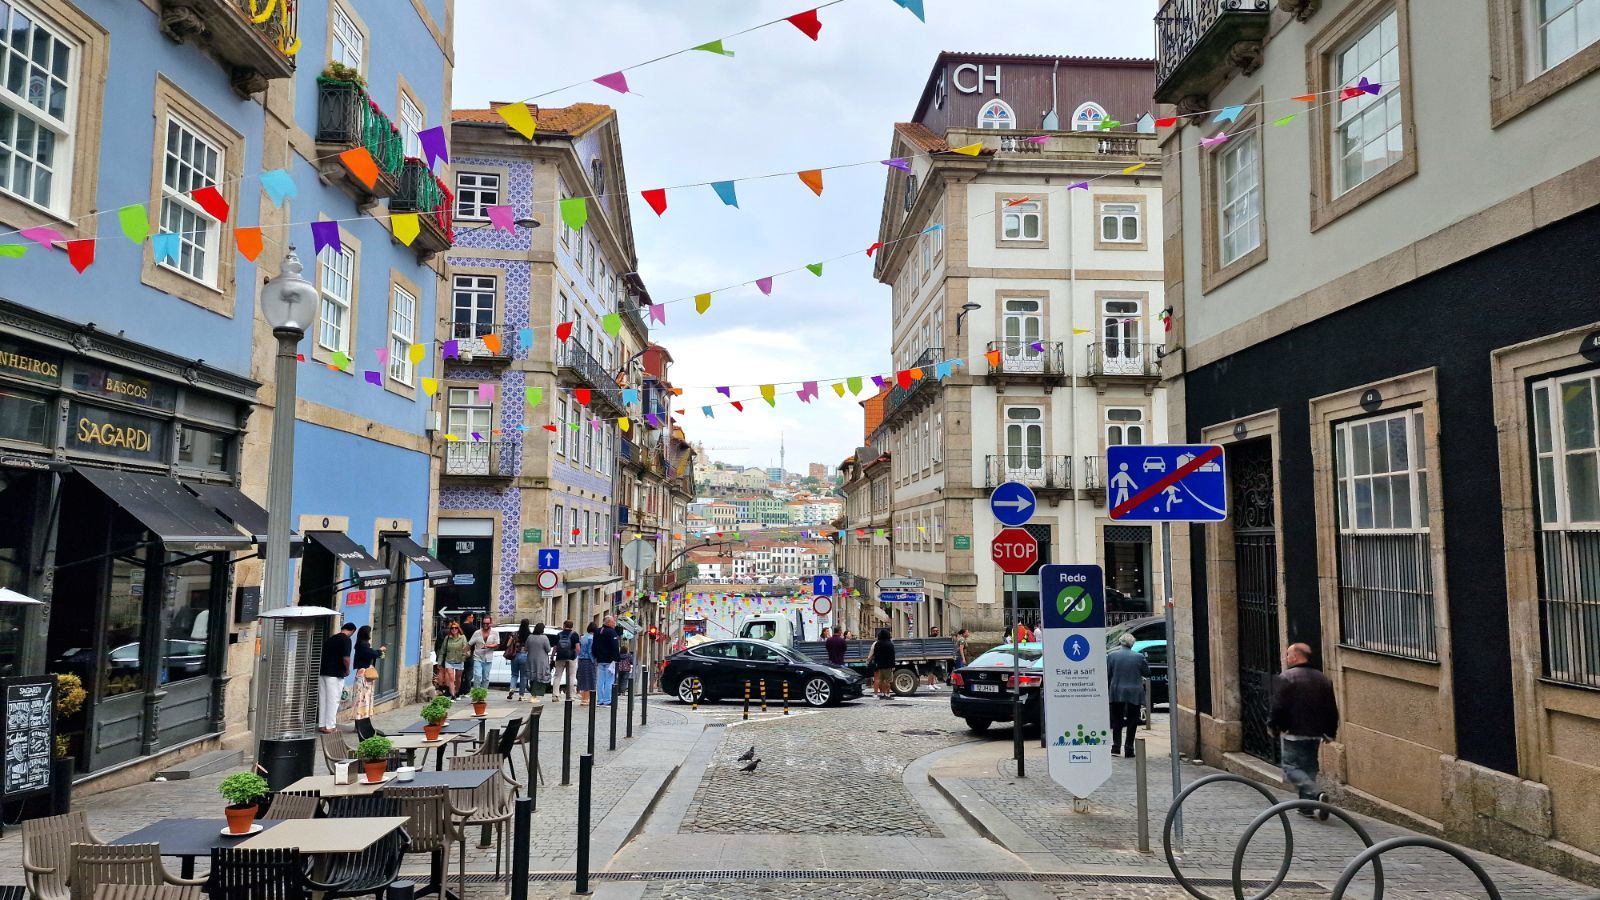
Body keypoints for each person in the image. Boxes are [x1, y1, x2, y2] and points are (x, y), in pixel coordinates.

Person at [1269, 642, 1340, 818]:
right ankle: (1306, 807)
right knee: (1309, 768)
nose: (1286, 658)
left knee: (1290, 767)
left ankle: (1317, 795)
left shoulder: (1286, 677)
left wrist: (1273, 726)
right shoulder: (1322, 679)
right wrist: (1330, 732)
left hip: (1293, 731)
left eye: (1288, 654)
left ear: (1296, 657)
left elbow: (1277, 707)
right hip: (1316, 733)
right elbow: (1332, 708)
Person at [1106, 632, 1151, 757]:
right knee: (1132, 720)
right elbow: (1147, 673)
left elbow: (1108, 674)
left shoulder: (1112, 656)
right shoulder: (1139, 657)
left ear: (1121, 642)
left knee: (1117, 720)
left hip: (1116, 691)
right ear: (1132, 644)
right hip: (1134, 692)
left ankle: (1115, 747)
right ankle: (1129, 748)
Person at [318, 622, 356, 733]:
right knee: (333, 700)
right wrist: (347, 669)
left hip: (323, 672)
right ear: (352, 631)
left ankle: (322, 724)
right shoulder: (346, 640)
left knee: (323, 699)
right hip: (335, 674)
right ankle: (330, 726)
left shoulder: (331, 639)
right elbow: (346, 658)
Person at [351, 625, 386, 720]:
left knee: (363, 698)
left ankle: (362, 720)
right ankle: (360, 720)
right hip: (363, 675)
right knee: (363, 698)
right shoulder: (363, 645)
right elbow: (372, 653)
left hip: (362, 673)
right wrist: (380, 650)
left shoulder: (361, 645)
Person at [593, 615, 621, 706]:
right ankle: (607, 700)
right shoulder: (612, 632)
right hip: (610, 660)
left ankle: (599, 700)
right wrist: (616, 658)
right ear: (608, 622)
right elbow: (615, 647)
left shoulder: (597, 631)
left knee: (600, 680)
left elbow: (594, 646)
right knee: (609, 680)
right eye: (613, 622)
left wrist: (595, 656)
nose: (614, 624)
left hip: (600, 659)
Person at [468, 617, 499, 693]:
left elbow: (497, 645)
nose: (485, 625)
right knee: (477, 676)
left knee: (486, 678)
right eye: (484, 623)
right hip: (477, 657)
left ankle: (483, 694)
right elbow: (469, 644)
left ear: (490, 623)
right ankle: (476, 694)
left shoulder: (495, 633)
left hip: (488, 658)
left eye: (487, 623)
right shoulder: (477, 633)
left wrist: (488, 646)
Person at [550, 620, 578, 703]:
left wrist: (552, 657)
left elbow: (555, 648)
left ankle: (555, 695)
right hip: (571, 657)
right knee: (572, 676)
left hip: (560, 657)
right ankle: (571, 695)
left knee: (557, 676)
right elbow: (578, 648)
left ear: (564, 625)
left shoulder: (559, 634)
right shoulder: (574, 635)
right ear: (572, 626)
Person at [439, 620, 468, 698]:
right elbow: (442, 650)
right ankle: (453, 695)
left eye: (456, 628)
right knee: (451, 678)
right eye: (452, 628)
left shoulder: (462, 637)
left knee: (458, 678)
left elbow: (466, 648)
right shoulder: (447, 638)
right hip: (449, 660)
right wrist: (439, 662)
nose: (454, 629)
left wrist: (465, 655)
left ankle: (457, 691)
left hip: (459, 660)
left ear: (458, 629)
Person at [525, 623, 552, 700]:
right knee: (540, 676)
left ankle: (533, 693)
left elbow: (526, 648)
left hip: (531, 659)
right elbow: (548, 649)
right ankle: (536, 694)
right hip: (541, 660)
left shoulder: (530, 637)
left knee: (532, 677)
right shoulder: (544, 638)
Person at [506, 620, 531, 701]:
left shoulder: (514, 634)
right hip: (525, 656)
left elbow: (508, 644)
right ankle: (521, 695)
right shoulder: (529, 635)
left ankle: (512, 689)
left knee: (514, 674)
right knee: (523, 676)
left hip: (515, 656)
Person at [870, 628, 896, 699]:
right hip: (888, 665)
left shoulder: (877, 644)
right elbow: (892, 655)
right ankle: (887, 694)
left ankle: (881, 693)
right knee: (887, 681)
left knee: (880, 680)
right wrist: (893, 665)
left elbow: (876, 654)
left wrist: (876, 663)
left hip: (879, 665)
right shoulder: (890, 644)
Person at [576, 622, 597, 706]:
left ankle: (583, 698)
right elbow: (590, 651)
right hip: (588, 660)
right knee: (589, 680)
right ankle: (586, 699)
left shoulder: (583, 637)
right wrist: (594, 661)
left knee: (583, 680)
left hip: (581, 660)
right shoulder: (591, 638)